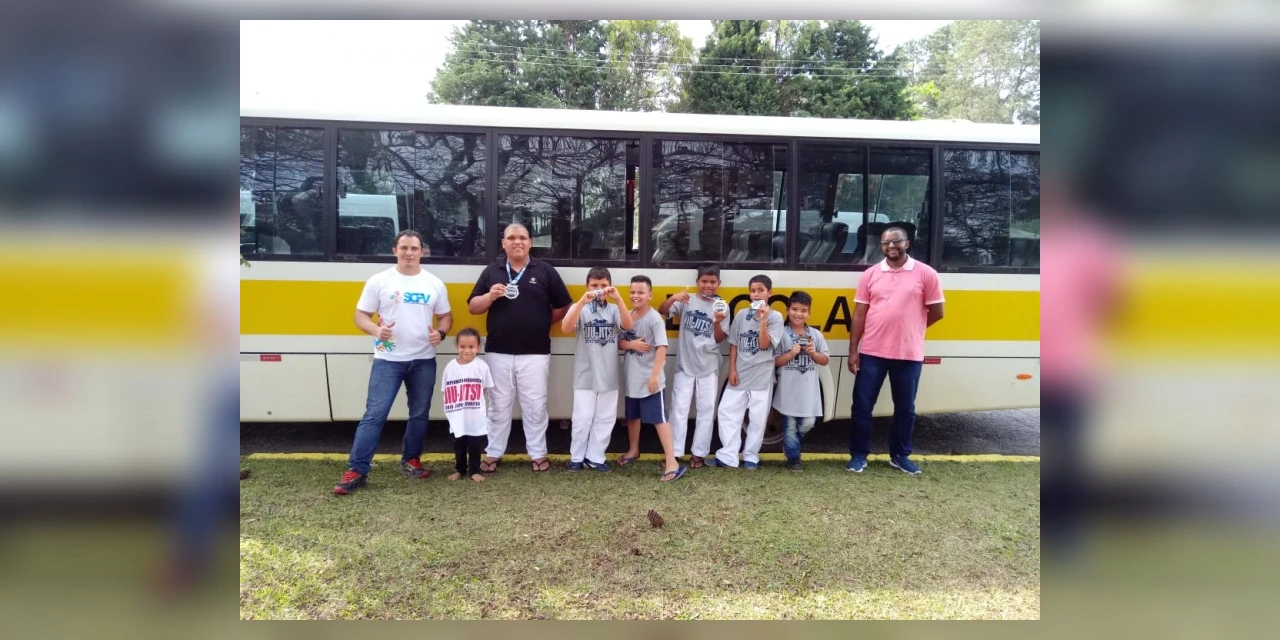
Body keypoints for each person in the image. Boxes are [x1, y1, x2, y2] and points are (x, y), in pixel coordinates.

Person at [334, 230, 453, 495]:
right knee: (375, 415)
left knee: (419, 414)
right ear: (395, 251)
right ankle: (357, 470)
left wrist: (441, 333)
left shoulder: (434, 283)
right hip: (388, 359)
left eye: (414, 248)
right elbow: (360, 315)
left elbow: (446, 316)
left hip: (423, 359)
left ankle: (411, 460)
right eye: (404, 248)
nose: (409, 253)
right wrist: (376, 331)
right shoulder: (380, 281)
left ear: (422, 252)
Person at [467, 222, 572, 473]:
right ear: (503, 243)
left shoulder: (545, 271)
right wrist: (490, 296)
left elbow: (563, 305)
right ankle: (493, 452)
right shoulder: (491, 271)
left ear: (530, 242)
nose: (517, 242)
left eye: (522, 238)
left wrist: (542, 321)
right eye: (512, 237)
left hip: (535, 352)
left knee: (535, 405)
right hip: (498, 351)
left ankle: (538, 453)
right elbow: (473, 307)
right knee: (498, 405)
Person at [847, 225, 945, 475]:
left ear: (907, 243)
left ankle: (900, 456)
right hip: (872, 352)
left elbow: (937, 312)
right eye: (885, 242)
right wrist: (853, 351)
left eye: (896, 241)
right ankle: (858, 455)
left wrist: (911, 327)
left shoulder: (926, 274)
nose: (891, 246)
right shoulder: (870, 274)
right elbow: (859, 315)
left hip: (908, 354)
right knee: (861, 406)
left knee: (905, 409)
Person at [560, 267, 633, 472]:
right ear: (587, 286)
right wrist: (581, 302)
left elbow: (628, 325)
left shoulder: (614, 309)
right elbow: (565, 328)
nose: (599, 289)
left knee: (605, 419)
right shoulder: (579, 307)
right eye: (594, 285)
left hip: (609, 374)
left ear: (610, 286)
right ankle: (576, 457)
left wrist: (618, 299)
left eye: (603, 285)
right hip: (585, 374)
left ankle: (595, 457)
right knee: (582, 419)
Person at [656, 264, 729, 468]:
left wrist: (717, 322)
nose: (708, 285)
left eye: (712, 282)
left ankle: (698, 454)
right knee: (678, 410)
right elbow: (662, 311)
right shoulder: (687, 300)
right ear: (697, 282)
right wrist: (673, 298)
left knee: (706, 411)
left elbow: (720, 338)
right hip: (685, 365)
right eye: (704, 281)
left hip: (709, 365)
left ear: (719, 283)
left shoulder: (722, 306)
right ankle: (674, 453)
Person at [617, 276, 687, 482]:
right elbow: (619, 342)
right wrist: (631, 345)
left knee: (659, 419)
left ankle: (672, 461)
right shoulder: (627, 316)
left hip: (649, 379)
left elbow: (662, 347)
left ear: (650, 295)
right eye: (632, 292)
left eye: (640, 292)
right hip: (631, 376)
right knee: (632, 416)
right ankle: (633, 450)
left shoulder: (654, 318)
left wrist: (655, 374)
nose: (635, 296)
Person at [712, 275, 784, 469]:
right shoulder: (742, 314)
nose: (756, 294)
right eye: (753, 291)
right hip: (740, 374)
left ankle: (751, 457)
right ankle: (728, 455)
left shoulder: (775, 317)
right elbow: (734, 344)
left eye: (761, 290)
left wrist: (763, 319)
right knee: (727, 412)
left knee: (757, 419)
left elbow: (764, 344)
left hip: (762, 376)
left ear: (769, 293)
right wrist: (732, 370)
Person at [772, 291, 831, 471]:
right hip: (788, 390)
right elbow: (774, 361)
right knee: (789, 426)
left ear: (809, 313)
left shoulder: (815, 335)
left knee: (808, 423)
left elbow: (825, 360)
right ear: (787, 310)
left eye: (803, 311)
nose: (798, 314)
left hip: (809, 392)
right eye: (795, 309)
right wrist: (791, 353)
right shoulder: (781, 333)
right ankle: (794, 458)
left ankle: (791, 445)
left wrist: (813, 352)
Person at [441, 329, 494, 483]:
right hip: (457, 413)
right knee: (459, 443)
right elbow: (446, 389)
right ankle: (460, 469)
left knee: (474, 443)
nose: (467, 350)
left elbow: (485, 387)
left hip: (474, 415)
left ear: (478, 347)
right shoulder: (451, 366)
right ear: (457, 346)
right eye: (462, 346)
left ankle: (474, 470)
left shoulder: (481, 366)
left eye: (471, 347)